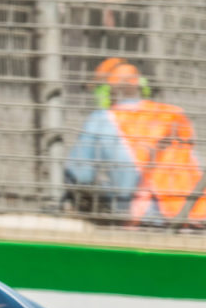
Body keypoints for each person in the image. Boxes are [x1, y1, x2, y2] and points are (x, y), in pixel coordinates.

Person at [65, 60, 206, 225]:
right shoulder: (174, 114)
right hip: (197, 211)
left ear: (105, 90)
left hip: (148, 217)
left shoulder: (102, 119)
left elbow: (80, 175)